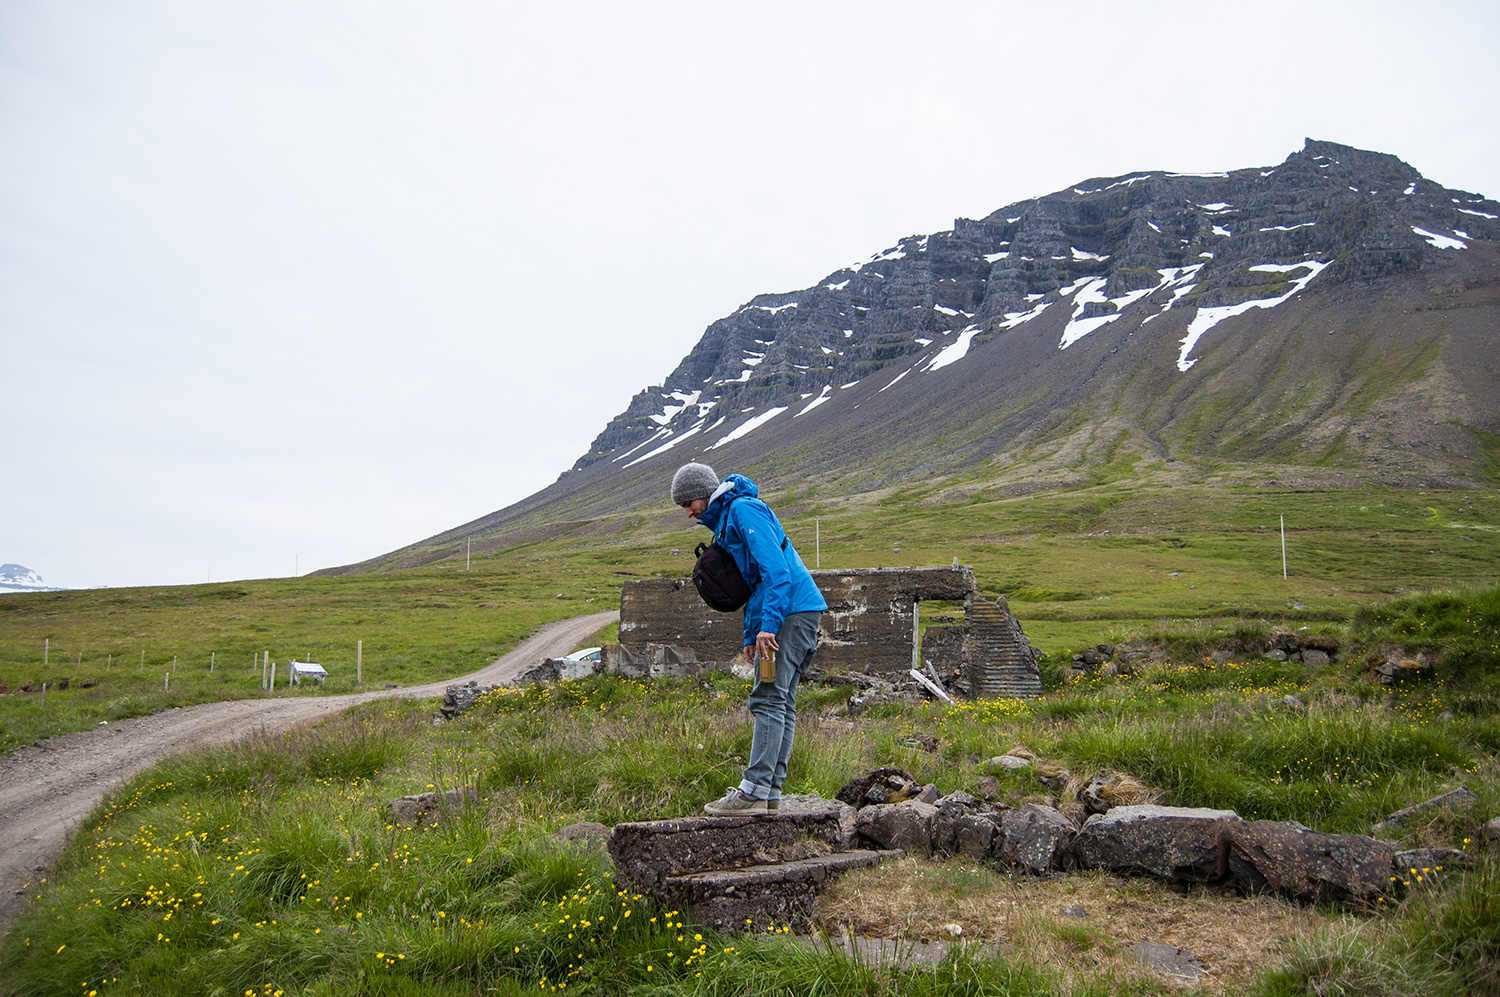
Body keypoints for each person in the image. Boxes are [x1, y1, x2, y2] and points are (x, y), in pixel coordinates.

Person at [671, 461, 827, 815]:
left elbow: (777, 573)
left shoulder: (743, 510)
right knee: (780, 700)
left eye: (686, 504)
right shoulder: (727, 520)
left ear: (700, 493)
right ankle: (769, 792)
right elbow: (753, 583)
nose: (687, 513)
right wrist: (750, 632)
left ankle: (753, 792)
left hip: (791, 611)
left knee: (768, 698)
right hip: (792, 611)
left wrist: (768, 627)